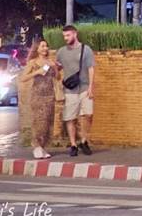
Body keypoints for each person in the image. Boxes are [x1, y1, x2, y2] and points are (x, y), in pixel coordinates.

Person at [55, 24, 95, 157]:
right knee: (70, 117)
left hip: (84, 87)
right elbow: (58, 68)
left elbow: (91, 68)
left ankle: (84, 141)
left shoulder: (86, 49)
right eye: (64, 36)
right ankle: (73, 145)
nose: (66, 38)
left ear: (75, 34)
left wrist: (91, 87)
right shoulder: (61, 52)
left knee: (88, 115)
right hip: (70, 89)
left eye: (68, 35)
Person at [20, 39, 59, 159]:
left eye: (46, 46)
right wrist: (37, 72)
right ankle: (36, 146)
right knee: (38, 122)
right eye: (42, 46)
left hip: (50, 94)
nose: (45, 48)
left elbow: (57, 77)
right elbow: (23, 78)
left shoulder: (50, 62)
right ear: (37, 48)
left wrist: (56, 68)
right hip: (37, 95)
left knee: (48, 122)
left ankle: (43, 147)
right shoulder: (33, 62)